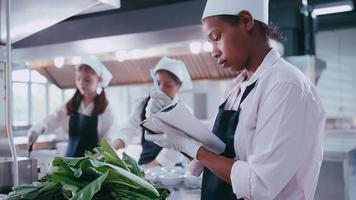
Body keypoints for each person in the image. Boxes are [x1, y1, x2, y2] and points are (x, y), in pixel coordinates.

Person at [145, 0, 326, 199]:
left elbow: (258, 185)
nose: (213, 51)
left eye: (217, 37)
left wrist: (189, 146)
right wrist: (175, 131)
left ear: (246, 21)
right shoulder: (235, 89)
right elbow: (222, 157)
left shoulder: (285, 85)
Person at [28, 57, 117, 157]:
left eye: (87, 80)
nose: (81, 83)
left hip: (92, 165)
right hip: (69, 162)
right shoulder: (70, 105)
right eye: (78, 79)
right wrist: (39, 127)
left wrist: (92, 161)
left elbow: (107, 145)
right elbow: (52, 120)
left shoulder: (106, 110)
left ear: (99, 80)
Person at [113, 56, 193, 167]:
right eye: (158, 83)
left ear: (179, 86)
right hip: (145, 163)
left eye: (168, 85)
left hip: (170, 170)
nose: (161, 89)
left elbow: (176, 150)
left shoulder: (185, 112)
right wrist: (112, 148)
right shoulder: (143, 105)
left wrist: (150, 167)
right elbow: (128, 128)